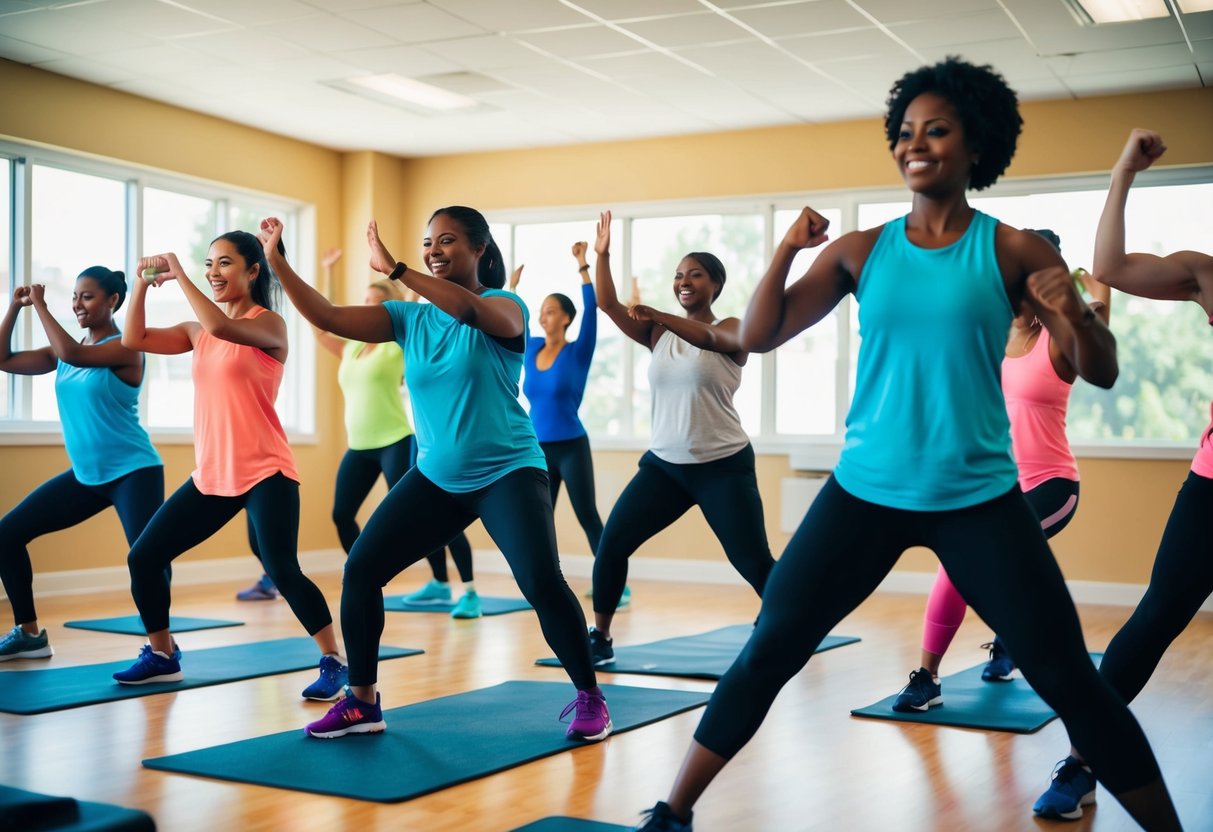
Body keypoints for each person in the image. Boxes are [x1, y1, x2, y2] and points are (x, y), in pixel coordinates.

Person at [632, 58, 1181, 832]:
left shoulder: (1015, 250)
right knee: (768, 651)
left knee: (1070, 682)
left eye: (936, 129)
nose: (914, 142)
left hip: (980, 499)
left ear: (975, 144)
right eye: (904, 131)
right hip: (864, 493)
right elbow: (756, 335)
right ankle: (672, 810)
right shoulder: (861, 250)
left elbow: (1102, 372)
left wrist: (1080, 316)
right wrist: (788, 248)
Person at [253, 210, 610, 742]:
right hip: (437, 476)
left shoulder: (505, 304)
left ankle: (590, 696)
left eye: (447, 241)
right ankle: (363, 702)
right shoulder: (407, 319)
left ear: (480, 249)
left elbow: (469, 310)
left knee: (539, 581)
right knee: (363, 568)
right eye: (427, 243)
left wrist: (397, 268)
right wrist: (277, 261)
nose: (434, 249)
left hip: (507, 470)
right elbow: (327, 316)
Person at [1033, 128, 1212, 822]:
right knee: (1156, 617)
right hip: (1210, 484)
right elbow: (1106, 264)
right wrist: (1121, 173)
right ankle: (1082, 762)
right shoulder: (1205, 273)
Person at [114, 232, 345, 700]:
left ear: (253, 270)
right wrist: (140, 284)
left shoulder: (271, 326)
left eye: (224, 263)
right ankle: (162, 655)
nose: (213, 272)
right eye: (208, 264)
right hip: (214, 475)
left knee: (281, 567)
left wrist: (178, 272)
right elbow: (132, 338)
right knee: (144, 556)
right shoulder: (196, 332)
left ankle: (334, 661)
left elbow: (221, 328)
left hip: (266, 471)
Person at [892, 231, 1111, 712]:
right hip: (990, 482)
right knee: (958, 564)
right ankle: (928, 675)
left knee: (991, 558)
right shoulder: (986, 331)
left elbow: (1100, 305)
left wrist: (1074, 279)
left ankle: (1013, 650)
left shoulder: (1061, 340)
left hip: (1051, 485)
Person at [587, 213, 775, 666]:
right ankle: (601, 636)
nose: (683, 281)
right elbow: (608, 303)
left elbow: (709, 338)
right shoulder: (658, 333)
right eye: (678, 275)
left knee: (752, 561)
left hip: (722, 465)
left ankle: (789, 621)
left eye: (695, 274)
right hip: (665, 467)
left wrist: (659, 314)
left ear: (716, 285)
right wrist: (603, 255)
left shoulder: (735, 328)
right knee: (612, 544)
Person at [0, 269, 163, 661]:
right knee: (6, 534)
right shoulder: (63, 352)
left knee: (147, 558)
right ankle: (29, 633)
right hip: (87, 477)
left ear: (113, 301)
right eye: (74, 296)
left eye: (87, 297)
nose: (77, 304)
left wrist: (39, 303)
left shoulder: (126, 347)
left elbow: (76, 354)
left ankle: (163, 647)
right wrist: (15, 308)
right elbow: (2, 359)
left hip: (133, 472)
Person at [310, 248, 481, 618]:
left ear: (391, 307)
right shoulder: (353, 348)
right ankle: (365, 576)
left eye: (377, 302)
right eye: (366, 301)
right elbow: (322, 323)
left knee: (426, 516)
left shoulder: (397, 343)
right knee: (342, 514)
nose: (368, 306)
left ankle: (466, 589)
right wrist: (329, 271)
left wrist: (406, 281)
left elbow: (415, 303)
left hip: (394, 441)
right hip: (360, 446)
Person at [511, 243, 616, 604]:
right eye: (542, 312)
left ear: (566, 318)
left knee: (587, 514)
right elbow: (513, 323)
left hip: (571, 445)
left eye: (552, 311)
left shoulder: (578, 350)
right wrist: (511, 290)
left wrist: (584, 264)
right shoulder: (531, 348)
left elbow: (592, 309)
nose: (544, 317)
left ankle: (613, 582)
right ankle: (545, 583)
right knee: (541, 522)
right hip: (536, 448)